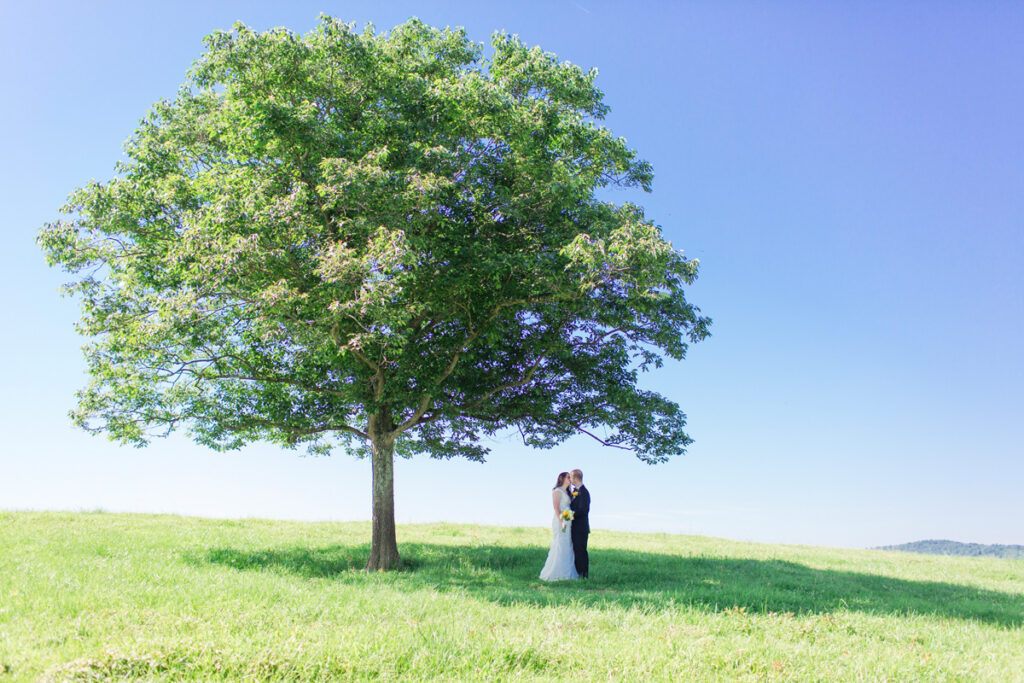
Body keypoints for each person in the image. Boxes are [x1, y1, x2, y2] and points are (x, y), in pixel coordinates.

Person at [539, 472, 578, 581]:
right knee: (559, 544)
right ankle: (555, 573)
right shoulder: (557, 491)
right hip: (560, 521)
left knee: (567, 545)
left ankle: (567, 573)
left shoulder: (568, 492)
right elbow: (557, 508)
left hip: (568, 521)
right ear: (562, 478)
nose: (570, 479)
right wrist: (562, 522)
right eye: (568, 477)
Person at [569, 468, 590, 578]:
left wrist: (568, 515)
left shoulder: (584, 492)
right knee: (576, 551)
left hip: (580, 528)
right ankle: (578, 573)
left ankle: (583, 574)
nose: (570, 480)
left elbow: (583, 510)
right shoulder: (576, 491)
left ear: (576, 478)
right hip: (575, 527)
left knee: (581, 551)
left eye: (571, 477)